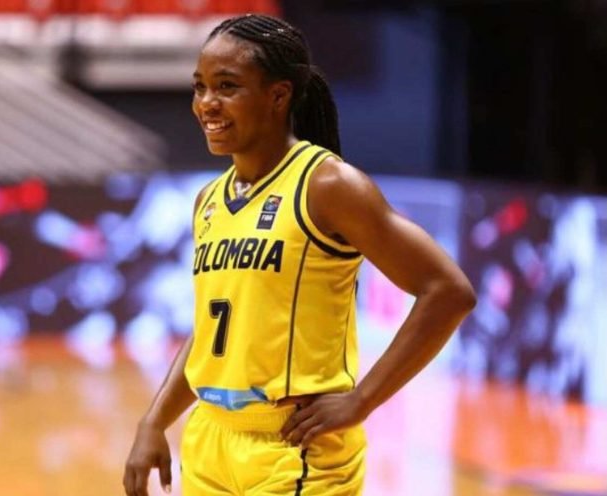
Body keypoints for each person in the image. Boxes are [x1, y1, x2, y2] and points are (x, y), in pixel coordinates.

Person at [123, 13, 476, 496]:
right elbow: (211, 332)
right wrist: (154, 420)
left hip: (294, 446)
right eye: (200, 86)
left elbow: (448, 291)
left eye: (227, 86)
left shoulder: (328, 185)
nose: (207, 103)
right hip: (210, 440)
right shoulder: (209, 201)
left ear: (278, 95)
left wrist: (362, 400)